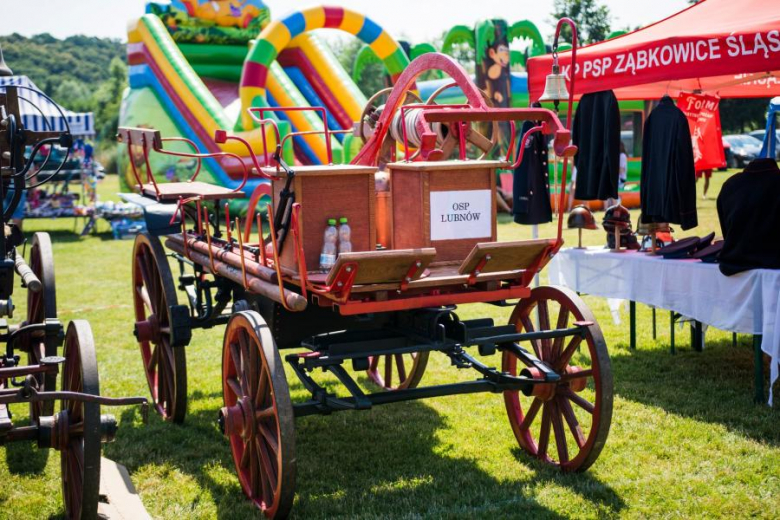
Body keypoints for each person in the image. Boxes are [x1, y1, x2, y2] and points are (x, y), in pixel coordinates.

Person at [605, 142, 628, 208]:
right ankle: (610, 206)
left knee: (611, 185)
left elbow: (621, 170)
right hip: (618, 179)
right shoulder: (618, 156)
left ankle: (615, 205)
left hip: (621, 180)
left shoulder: (622, 156)